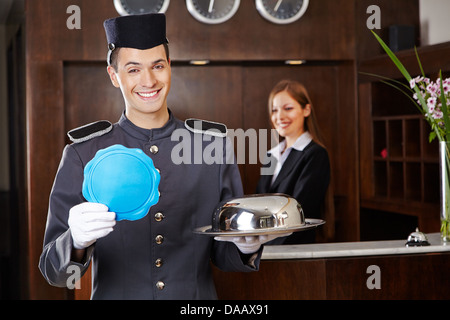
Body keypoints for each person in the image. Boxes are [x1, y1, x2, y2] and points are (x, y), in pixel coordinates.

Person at [38, 13, 283, 300]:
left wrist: (247, 245)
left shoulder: (212, 147)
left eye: (157, 66)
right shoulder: (82, 153)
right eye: (133, 70)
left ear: (170, 68)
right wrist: (75, 242)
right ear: (113, 76)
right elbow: (54, 273)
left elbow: (224, 255)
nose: (149, 80)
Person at [256, 80, 331, 244]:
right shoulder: (271, 155)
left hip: (292, 250)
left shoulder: (316, 155)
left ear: (306, 110)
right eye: (274, 110)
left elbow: (298, 214)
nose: (279, 116)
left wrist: (267, 248)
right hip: (264, 248)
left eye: (288, 108)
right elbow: (259, 205)